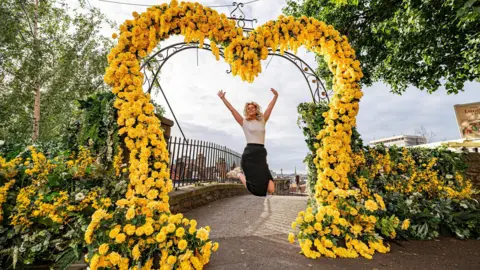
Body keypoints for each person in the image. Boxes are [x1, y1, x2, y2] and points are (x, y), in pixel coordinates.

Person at [219, 88, 278, 197]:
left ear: (256, 109)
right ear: (247, 111)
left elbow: (270, 107)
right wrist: (223, 98)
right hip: (250, 154)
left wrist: (275, 96)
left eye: (252, 108)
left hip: (261, 154)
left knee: (271, 188)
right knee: (255, 190)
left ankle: (239, 173)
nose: (250, 109)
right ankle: (239, 174)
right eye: (248, 108)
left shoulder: (262, 120)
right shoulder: (244, 122)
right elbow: (232, 110)